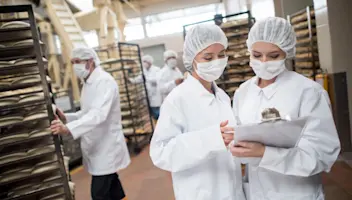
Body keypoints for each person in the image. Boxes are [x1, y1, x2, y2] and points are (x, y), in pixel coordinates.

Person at [230, 17, 341, 200]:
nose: (264, 61)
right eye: (257, 55)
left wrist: (265, 153)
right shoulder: (243, 92)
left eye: (273, 56)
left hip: (296, 193)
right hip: (256, 192)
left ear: (287, 52)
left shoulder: (308, 92)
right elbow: (238, 136)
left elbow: (322, 153)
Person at [150, 24, 246, 200]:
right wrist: (212, 139)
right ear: (192, 59)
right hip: (201, 193)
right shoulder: (177, 100)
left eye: (221, 55)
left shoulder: (222, 97)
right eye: (208, 57)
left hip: (232, 190)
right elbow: (161, 153)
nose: (217, 62)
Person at [50, 47, 130, 200]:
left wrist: (68, 129)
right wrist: (67, 118)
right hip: (97, 146)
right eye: (72, 62)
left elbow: (98, 114)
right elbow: (86, 112)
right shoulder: (88, 83)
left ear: (90, 62)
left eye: (78, 62)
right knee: (113, 188)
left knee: (99, 194)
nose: (75, 66)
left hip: (107, 147)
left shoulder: (104, 81)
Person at [129, 55, 162, 120]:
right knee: (153, 114)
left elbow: (157, 80)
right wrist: (131, 80)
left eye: (145, 62)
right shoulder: (144, 70)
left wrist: (147, 79)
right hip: (148, 96)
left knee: (157, 113)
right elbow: (139, 79)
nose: (143, 63)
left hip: (156, 95)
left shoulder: (156, 70)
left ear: (149, 62)